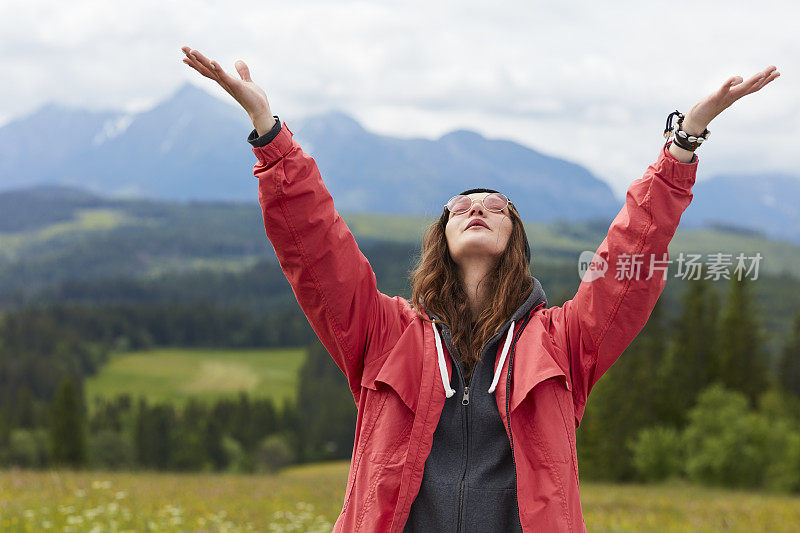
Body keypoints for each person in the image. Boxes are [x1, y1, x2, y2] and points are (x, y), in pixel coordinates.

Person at [180, 46, 779, 532]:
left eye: (496, 206)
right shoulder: (382, 332)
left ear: (515, 237)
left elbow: (633, 254)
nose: (477, 208)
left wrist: (684, 143)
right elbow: (315, 247)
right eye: (461, 205)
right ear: (439, 235)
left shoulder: (563, 342)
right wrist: (269, 133)